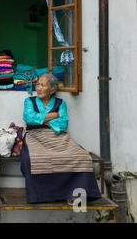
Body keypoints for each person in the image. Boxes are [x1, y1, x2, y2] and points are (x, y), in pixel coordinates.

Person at [20, 73, 101, 204]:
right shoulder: (30, 101)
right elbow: (29, 118)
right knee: (32, 159)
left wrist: (40, 119)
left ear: (52, 90)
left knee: (82, 157)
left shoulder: (60, 103)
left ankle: (74, 194)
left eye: (42, 85)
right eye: (38, 84)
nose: (38, 87)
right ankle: (41, 195)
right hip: (35, 136)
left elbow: (63, 124)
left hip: (58, 136)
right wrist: (53, 115)